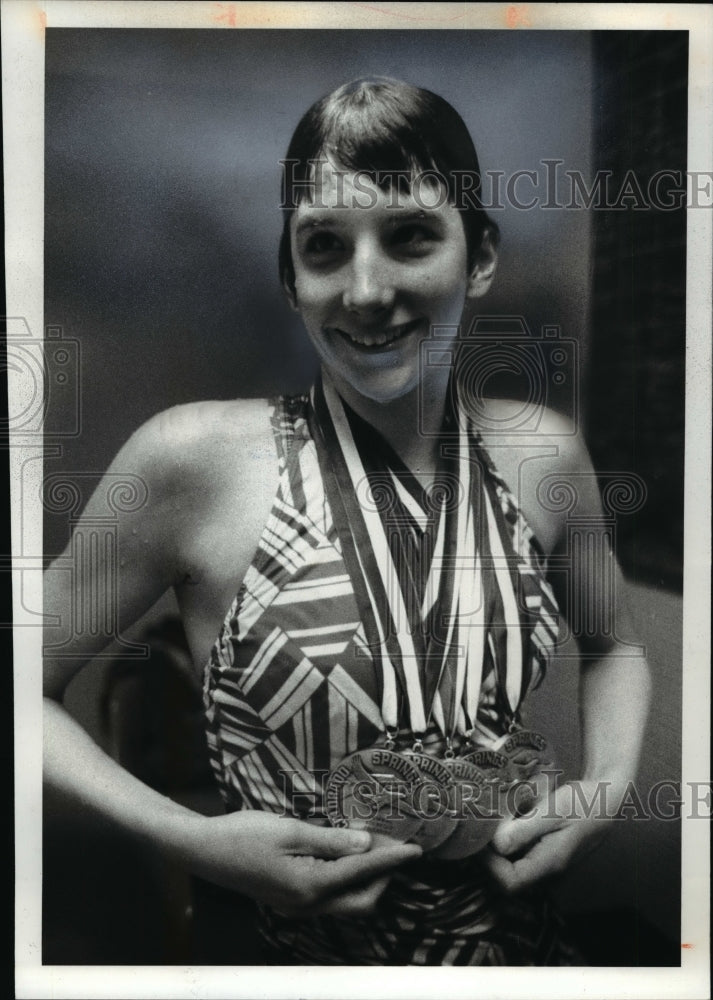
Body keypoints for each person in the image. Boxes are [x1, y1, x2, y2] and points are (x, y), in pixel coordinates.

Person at [44, 77, 651, 966]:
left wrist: (608, 787)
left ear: (478, 256)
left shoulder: (544, 455)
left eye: (409, 236)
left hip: (520, 954)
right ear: (291, 278)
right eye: (324, 246)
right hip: (286, 958)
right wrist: (186, 837)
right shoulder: (189, 460)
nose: (365, 291)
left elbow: (616, 647)